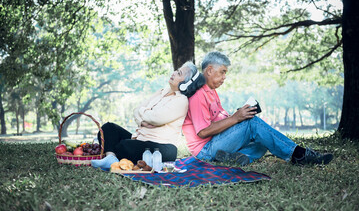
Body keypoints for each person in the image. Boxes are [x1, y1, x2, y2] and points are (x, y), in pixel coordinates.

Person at [182, 51, 333, 166]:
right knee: (253, 123)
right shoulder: (198, 95)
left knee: (263, 142)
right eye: (222, 72)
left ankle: (234, 158)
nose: (224, 77)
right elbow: (203, 132)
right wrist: (236, 118)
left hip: (217, 143)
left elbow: (220, 120)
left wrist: (238, 115)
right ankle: (299, 154)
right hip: (205, 150)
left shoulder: (212, 92)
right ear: (209, 70)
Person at [91, 61, 205, 170]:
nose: (174, 72)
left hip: (163, 147)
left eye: (179, 73)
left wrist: (144, 113)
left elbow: (156, 118)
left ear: (186, 84)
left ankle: (114, 153)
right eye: (176, 70)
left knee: (124, 145)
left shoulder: (181, 100)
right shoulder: (162, 91)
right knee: (107, 128)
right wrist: (143, 121)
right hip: (140, 139)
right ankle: (110, 158)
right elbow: (136, 109)